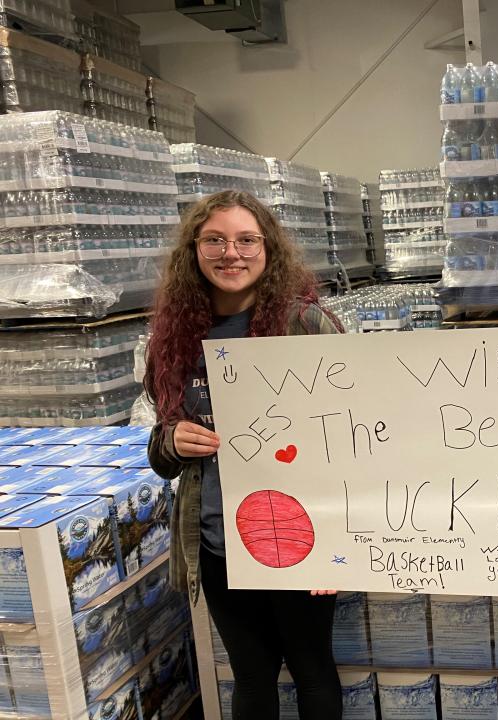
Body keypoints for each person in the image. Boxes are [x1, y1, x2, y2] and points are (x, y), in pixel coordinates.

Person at [144, 190, 345, 720]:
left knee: (311, 668)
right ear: (194, 250)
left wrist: (341, 539)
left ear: (268, 248)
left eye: (245, 240)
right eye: (214, 240)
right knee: (251, 675)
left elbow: (358, 436)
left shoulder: (306, 324)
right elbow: (159, 449)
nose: (230, 253)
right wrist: (173, 440)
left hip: (302, 537)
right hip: (219, 539)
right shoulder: (173, 335)